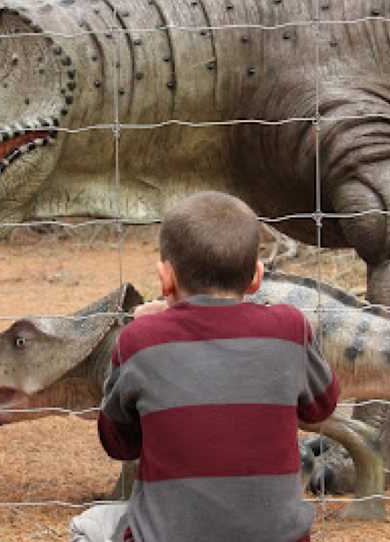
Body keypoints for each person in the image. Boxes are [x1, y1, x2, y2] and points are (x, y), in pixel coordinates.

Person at [69, 192, 339, 542]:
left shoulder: (141, 339)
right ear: (256, 277)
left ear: (165, 278)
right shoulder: (290, 327)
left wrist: (136, 331)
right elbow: (321, 405)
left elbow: (118, 443)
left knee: (86, 528)